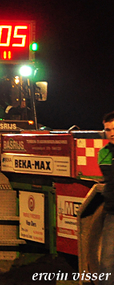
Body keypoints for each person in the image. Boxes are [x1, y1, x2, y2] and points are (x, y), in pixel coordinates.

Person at [99, 111, 114, 285]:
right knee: (106, 263)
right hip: (112, 213)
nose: (112, 133)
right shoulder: (103, 153)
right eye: (108, 129)